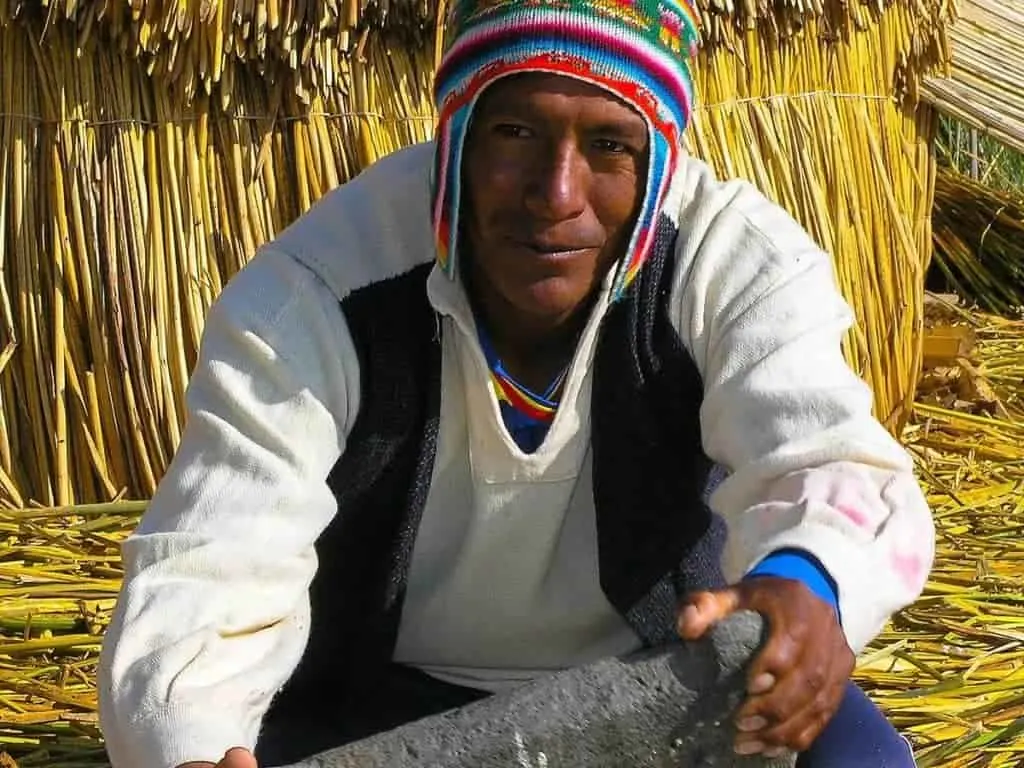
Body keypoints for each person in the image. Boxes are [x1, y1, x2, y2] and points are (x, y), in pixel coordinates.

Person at [97, 0, 936, 766]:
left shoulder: (731, 261)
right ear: (456, 133)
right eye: (515, 135)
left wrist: (813, 582)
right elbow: (215, 558)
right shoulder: (318, 292)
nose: (556, 195)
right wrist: (193, 742)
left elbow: (829, 466)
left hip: (659, 688)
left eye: (610, 146)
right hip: (369, 707)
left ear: (659, 158)